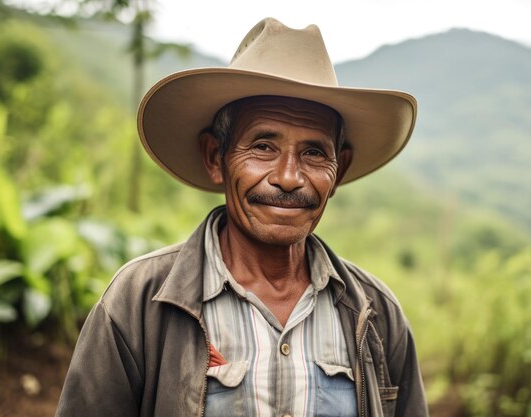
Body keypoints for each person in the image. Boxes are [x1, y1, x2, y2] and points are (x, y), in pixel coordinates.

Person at [56, 17, 428, 417]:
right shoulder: (137, 303)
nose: (289, 178)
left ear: (340, 169)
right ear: (216, 158)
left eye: (314, 153)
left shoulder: (377, 313)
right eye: (263, 146)